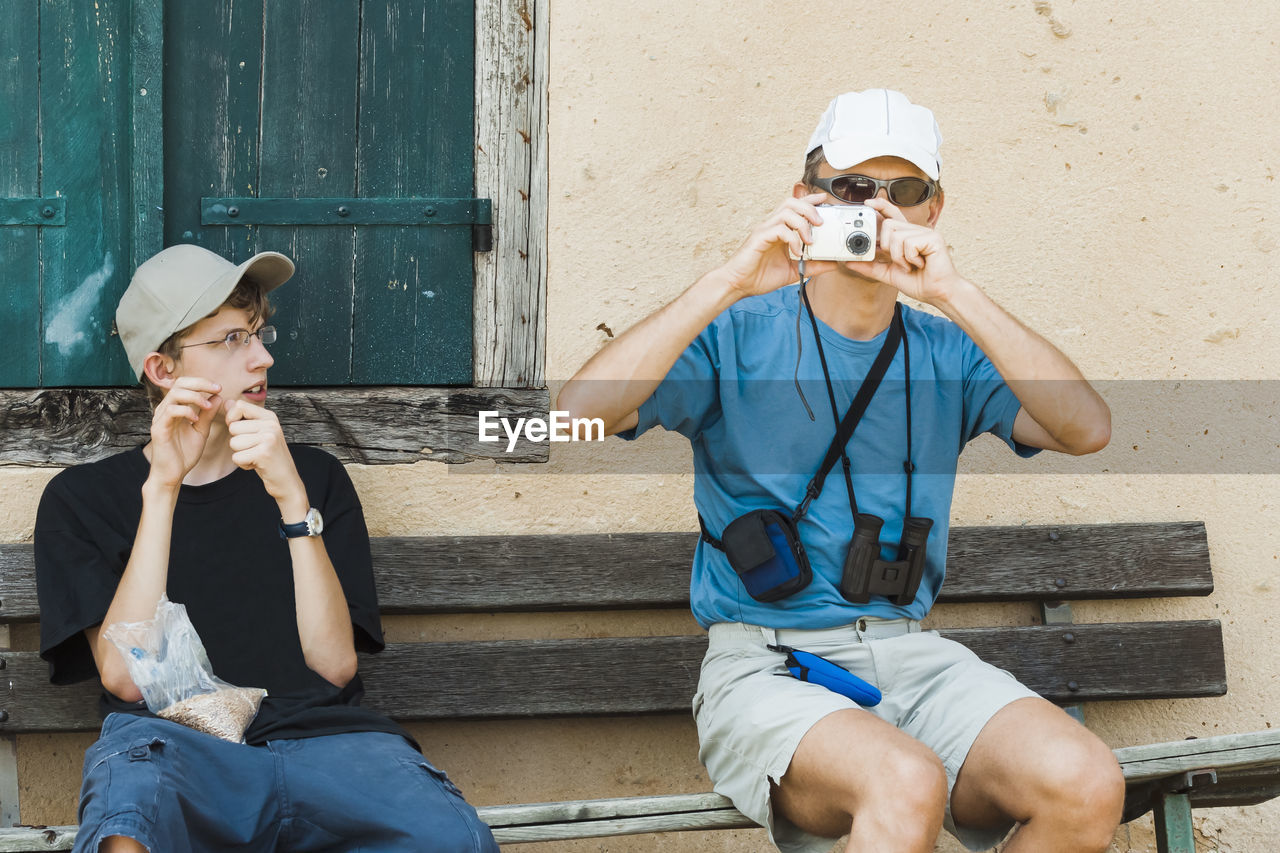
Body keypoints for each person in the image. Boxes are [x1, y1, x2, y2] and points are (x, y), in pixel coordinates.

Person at [557, 89, 1124, 853]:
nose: (880, 212)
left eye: (906, 193)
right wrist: (729, 279)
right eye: (854, 189)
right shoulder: (736, 333)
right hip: (768, 664)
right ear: (806, 201)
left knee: (1085, 783)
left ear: (934, 209)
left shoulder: (948, 352)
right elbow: (574, 419)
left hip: (909, 651)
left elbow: (1086, 428)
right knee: (904, 779)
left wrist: (953, 293)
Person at [34, 244, 498, 853]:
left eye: (256, 332)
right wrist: (164, 489)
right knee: (129, 837)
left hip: (331, 745)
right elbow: (126, 678)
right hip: (175, 748)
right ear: (163, 370)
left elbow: (333, 666)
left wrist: (288, 499)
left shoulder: (313, 477)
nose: (262, 357)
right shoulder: (83, 499)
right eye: (230, 340)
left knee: (455, 842)